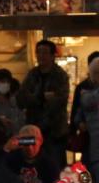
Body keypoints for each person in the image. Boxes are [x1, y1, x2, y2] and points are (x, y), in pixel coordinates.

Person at [16, 39, 70, 171]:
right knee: (32, 167)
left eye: (45, 52)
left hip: (54, 132)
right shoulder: (32, 74)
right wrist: (41, 97)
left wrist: (37, 99)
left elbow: (60, 99)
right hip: (33, 128)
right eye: (38, 52)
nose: (41, 56)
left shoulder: (60, 75)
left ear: (53, 55)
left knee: (55, 167)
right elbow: (21, 98)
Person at [67, 50, 99, 183]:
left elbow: (76, 111)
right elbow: (76, 111)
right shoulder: (89, 87)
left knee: (89, 172)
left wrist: (76, 125)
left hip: (96, 137)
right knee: (87, 172)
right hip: (92, 137)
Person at [0, 68, 24, 137]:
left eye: (8, 82)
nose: (5, 84)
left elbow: (21, 122)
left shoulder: (15, 102)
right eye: (2, 81)